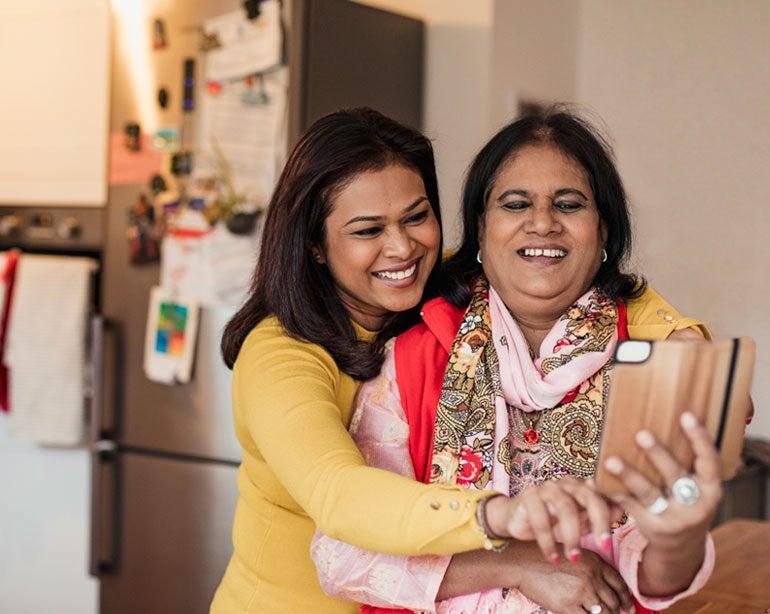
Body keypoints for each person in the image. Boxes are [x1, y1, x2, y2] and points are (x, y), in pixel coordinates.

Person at [211, 108, 632, 613]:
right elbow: (340, 494)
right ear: (315, 245)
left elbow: (569, 273)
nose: (403, 247)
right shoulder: (280, 354)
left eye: (416, 216)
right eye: (368, 231)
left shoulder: (432, 296)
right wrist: (503, 521)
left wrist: (683, 335)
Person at [311, 110, 718, 614]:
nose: (543, 222)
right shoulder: (413, 358)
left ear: (604, 231)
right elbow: (343, 557)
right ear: (480, 229)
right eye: (515, 203)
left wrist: (680, 537)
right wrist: (519, 563)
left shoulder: (652, 365)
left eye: (569, 204)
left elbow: (650, 572)